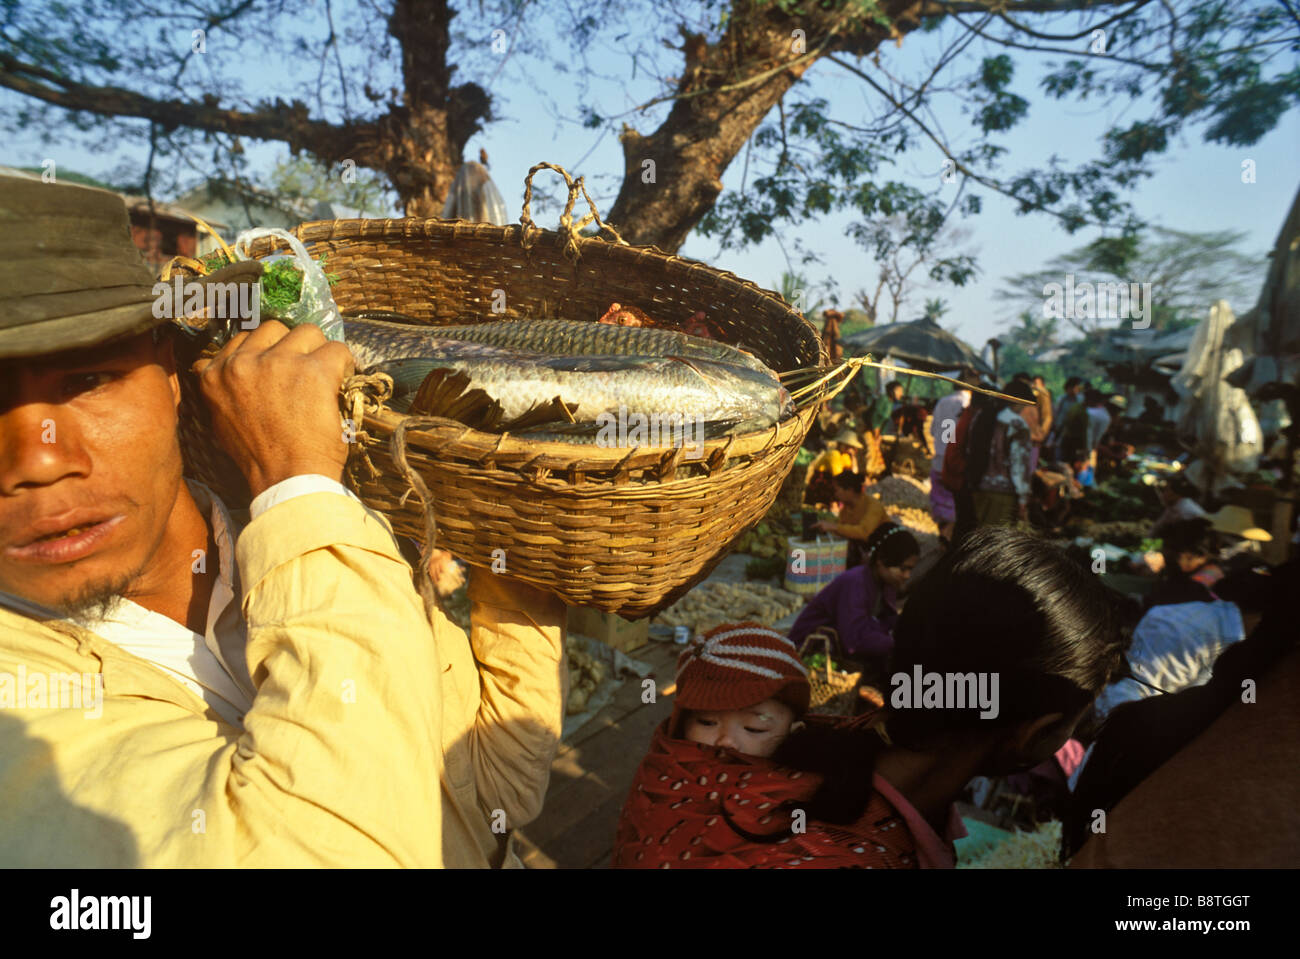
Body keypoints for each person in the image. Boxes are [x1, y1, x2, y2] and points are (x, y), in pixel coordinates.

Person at [0, 172, 565, 867]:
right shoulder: (22, 707)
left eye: (86, 380)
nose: (35, 459)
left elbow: (498, 783)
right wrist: (299, 487)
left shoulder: (335, 533)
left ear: (171, 376)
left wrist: (516, 535)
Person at [788, 522, 919, 661]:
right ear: (881, 560)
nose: (907, 576)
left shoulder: (887, 584)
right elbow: (855, 640)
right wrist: (897, 644)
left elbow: (885, 620)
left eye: (910, 570)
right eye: (903, 569)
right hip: (808, 651)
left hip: (838, 645)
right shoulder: (855, 583)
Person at [966, 378, 1037, 527]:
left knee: (980, 534)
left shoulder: (981, 416)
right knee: (998, 542)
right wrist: (1023, 497)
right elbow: (1019, 464)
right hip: (1003, 494)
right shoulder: (1016, 423)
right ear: (1018, 401)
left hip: (978, 488)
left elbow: (969, 449)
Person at [929, 377, 973, 540]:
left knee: (941, 501)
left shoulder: (943, 402)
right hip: (956, 463)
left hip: (939, 459)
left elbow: (934, 430)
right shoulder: (968, 404)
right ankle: (949, 536)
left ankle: (943, 534)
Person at [814, 470, 887, 567]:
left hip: (882, 554)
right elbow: (844, 529)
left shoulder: (873, 506)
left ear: (849, 490)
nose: (835, 494)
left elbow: (864, 532)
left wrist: (833, 527)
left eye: (836, 490)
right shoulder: (846, 509)